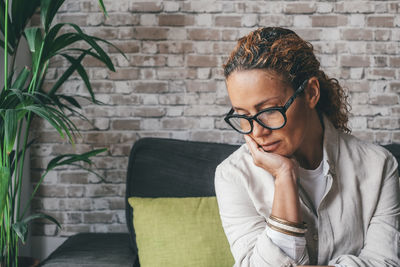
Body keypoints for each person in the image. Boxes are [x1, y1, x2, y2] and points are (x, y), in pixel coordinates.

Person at [214, 27, 400, 267]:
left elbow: (386, 263)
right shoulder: (233, 176)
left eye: (269, 111)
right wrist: (284, 178)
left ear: (311, 93)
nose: (257, 131)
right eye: (243, 115)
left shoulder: (379, 167)